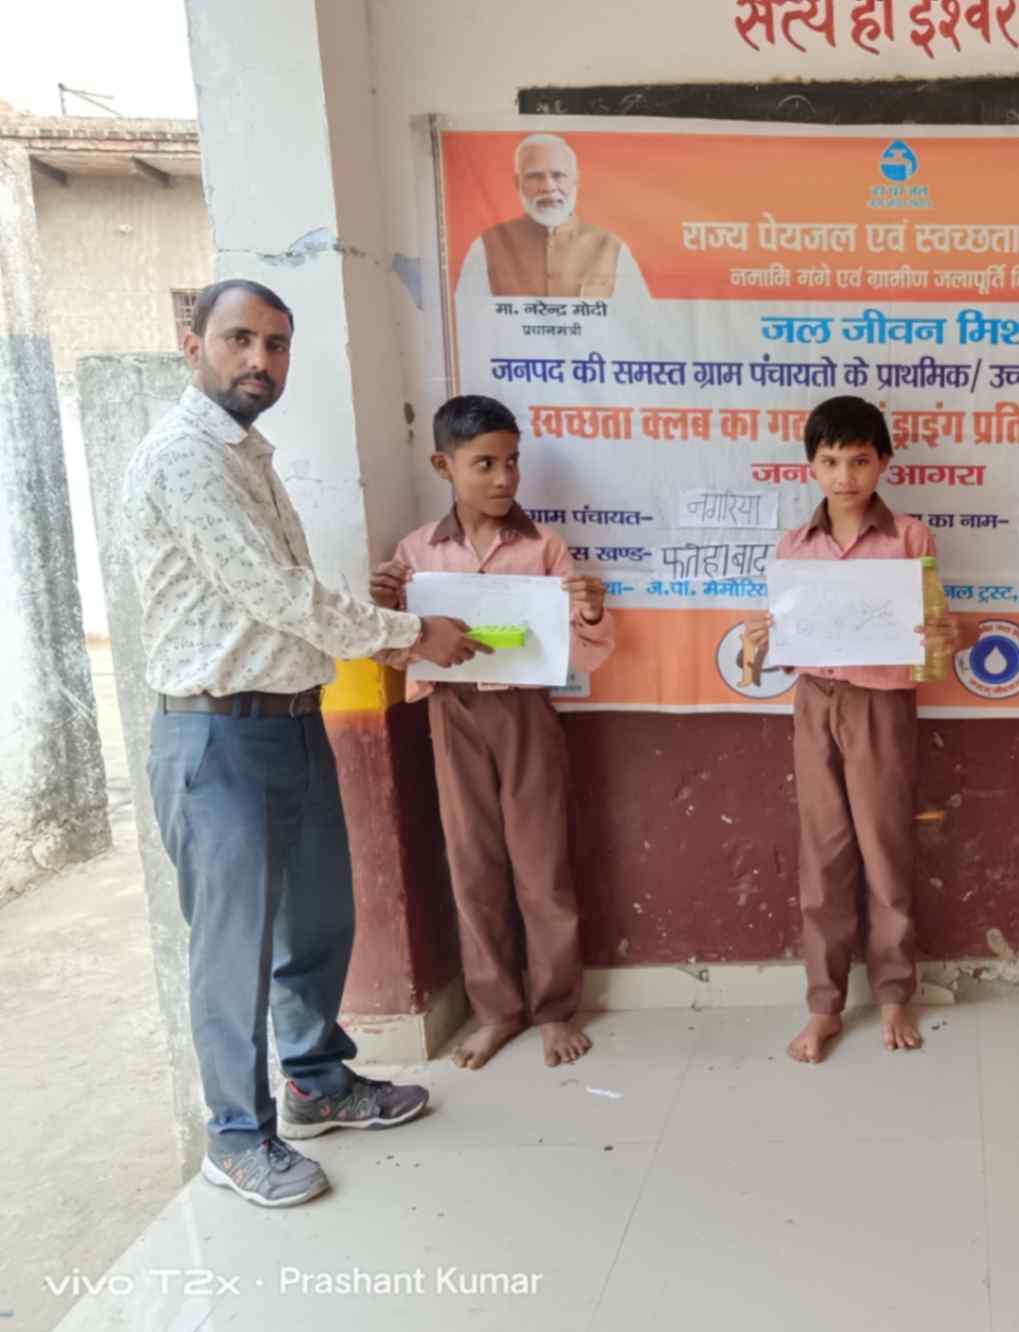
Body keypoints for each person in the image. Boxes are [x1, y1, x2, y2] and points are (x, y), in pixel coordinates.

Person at [123, 279, 490, 1209]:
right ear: (192, 344)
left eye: (277, 344)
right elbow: (277, 595)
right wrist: (411, 634)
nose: (260, 361)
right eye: (240, 339)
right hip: (217, 733)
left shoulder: (246, 454)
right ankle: (235, 1137)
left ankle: (317, 1081)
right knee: (234, 947)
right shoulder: (185, 458)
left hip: (290, 719)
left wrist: (385, 636)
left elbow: (285, 601)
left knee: (319, 918)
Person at [370, 396, 616, 1071]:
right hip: (451, 713)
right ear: (442, 466)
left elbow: (586, 655)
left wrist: (591, 612)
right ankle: (497, 1010)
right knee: (472, 864)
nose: (504, 478)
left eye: (512, 462)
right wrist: (388, 611)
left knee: (542, 865)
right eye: (484, 464)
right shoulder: (416, 554)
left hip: (526, 713)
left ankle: (554, 1009)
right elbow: (394, 653)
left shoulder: (544, 548)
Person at [739, 395, 964, 1064]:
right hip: (814, 700)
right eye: (831, 461)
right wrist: (757, 645)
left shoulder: (910, 538)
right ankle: (824, 1004)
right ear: (811, 466)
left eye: (859, 461)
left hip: (881, 704)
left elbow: (932, 645)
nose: (845, 476)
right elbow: (775, 651)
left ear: (884, 462)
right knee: (824, 855)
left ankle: (894, 993)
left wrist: (944, 636)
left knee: (885, 850)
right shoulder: (793, 546)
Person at [455, 131, 638, 300]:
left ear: (576, 179)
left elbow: (637, 321)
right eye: (535, 176)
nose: (548, 187)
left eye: (558, 175)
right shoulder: (486, 247)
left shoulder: (612, 248)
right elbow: (467, 319)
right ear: (517, 183)